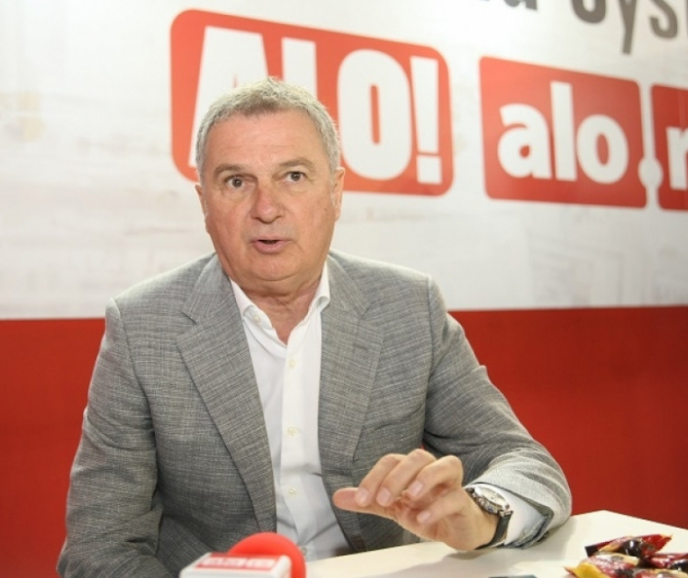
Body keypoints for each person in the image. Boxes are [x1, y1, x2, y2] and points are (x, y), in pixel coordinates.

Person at [57, 77, 571, 577]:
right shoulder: (142, 328)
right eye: (236, 182)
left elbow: (523, 461)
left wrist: (481, 515)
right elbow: (100, 548)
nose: (266, 209)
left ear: (336, 191)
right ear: (204, 204)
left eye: (294, 176)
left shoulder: (409, 307)